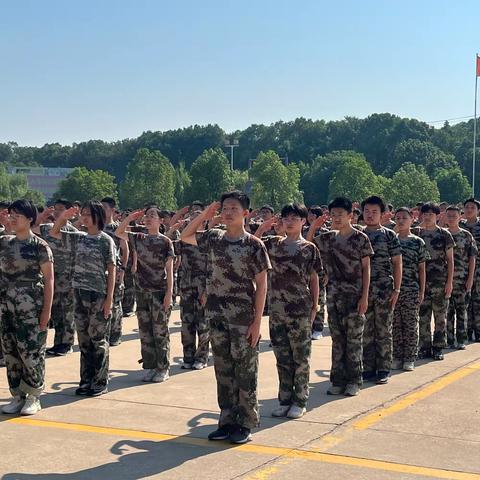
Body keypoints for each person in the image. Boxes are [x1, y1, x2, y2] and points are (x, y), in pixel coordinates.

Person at [181, 191, 271, 444]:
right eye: (225, 208)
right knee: (223, 370)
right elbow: (185, 236)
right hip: (216, 315)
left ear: (246, 213)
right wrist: (204, 215)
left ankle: (245, 423)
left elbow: (262, 284)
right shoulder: (213, 238)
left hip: (242, 318)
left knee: (245, 372)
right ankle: (227, 420)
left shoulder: (254, 245)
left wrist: (257, 322)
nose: (228, 212)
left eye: (234, 208)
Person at [255, 203, 321, 419]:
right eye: (286, 218)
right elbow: (253, 245)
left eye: (295, 218)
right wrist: (263, 229)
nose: (290, 221)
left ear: (304, 221)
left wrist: (315, 307)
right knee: (282, 357)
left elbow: (314, 278)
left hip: (300, 309)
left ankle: (300, 400)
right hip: (277, 309)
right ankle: (284, 399)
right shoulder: (273, 245)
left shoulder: (309, 249)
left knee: (300, 358)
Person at [49, 201, 116, 396]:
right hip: (79, 293)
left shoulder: (106, 240)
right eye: (83, 214)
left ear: (98, 216)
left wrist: (109, 300)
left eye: (88, 214)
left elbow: (112, 270)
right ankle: (86, 380)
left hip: (98, 295)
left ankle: (100, 381)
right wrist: (64, 217)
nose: (84, 218)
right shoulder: (78, 238)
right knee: (84, 340)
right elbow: (53, 233)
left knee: (98, 340)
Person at [314, 197, 373, 397]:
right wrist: (314, 225)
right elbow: (308, 244)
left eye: (341, 214)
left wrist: (365, 297)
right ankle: (338, 380)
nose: (337, 218)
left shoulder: (360, 238)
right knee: (338, 340)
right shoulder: (328, 238)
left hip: (355, 295)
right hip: (334, 295)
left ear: (351, 216)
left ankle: (354, 380)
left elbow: (366, 269)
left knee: (354, 340)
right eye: (333, 214)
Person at [0, 200, 54, 415]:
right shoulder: (4, 243)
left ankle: (34, 395)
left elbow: (49, 279)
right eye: (11, 214)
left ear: (30, 219)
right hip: (6, 305)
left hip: (30, 306)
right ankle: (17, 395)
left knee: (31, 351)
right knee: (11, 351)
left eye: (18, 215)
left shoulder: (40, 246)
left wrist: (46, 312)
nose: (13, 218)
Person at [115, 206, 174, 383]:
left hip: (159, 291)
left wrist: (169, 294)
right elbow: (119, 232)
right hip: (142, 291)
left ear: (160, 220)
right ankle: (150, 366)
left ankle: (163, 367)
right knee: (146, 331)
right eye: (146, 216)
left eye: (153, 216)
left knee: (160, 331)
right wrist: (130, 217)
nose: (148, 219)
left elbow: (169, 270)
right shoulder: (138, 237)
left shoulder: (165, 242)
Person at [360, 196, 402, 384]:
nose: (370, 215)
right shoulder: (357, 234)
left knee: (384, 329)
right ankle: (368, 368)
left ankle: (384, 368)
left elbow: (397, 263)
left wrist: (397, 289)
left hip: (384, 289)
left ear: (382, 214)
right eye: (367, 211)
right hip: (363, 290)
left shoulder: (389, 235)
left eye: (374, 212)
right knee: (366, 330)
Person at [34, 199, 78, 356]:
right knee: (57, 311)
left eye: (61, 209)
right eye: (56, 209)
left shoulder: (73, 232)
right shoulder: (47, 228)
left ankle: (66, 343)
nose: (57, 212)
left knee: (67, 312)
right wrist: (43, 215)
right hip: (53, 277)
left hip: (69, 277)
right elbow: (33, 227)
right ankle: (58, 343)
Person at [414, 203, 454, 361]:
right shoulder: (416, 233)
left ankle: (438, 347)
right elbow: (397, 231)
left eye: (431, 214)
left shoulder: (445, 235)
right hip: (421, 282)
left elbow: (450, 261)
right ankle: (424, 347)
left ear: (437, 216)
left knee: (440, 317)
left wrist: (449, 282)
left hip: (440, 281)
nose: (428, 216)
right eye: (425, 213)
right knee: (423, 316)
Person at [392, 207, 427, 371]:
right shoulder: (392, 240)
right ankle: (397, 356)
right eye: (397, 218)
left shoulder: (417, 242)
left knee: (410, 324)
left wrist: (421, 291)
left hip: (411, 288)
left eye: (404, 218)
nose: (400, 220)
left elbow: (422, 268)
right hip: (393, 289)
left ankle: (410, 357)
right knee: (395, 325)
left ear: (412, 219)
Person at [176, 207, 209, 370]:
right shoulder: (184, 241)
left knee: (203, 325)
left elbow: (213, 267)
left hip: (202, 286)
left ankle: (201, 357)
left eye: (198, 219)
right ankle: (188, 357)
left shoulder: (209, 240)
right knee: (186, 323)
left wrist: (207, 291)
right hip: (186, 286)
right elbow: (167, 246)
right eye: (191, 220)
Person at [446, 206, 477, 349]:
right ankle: (449, 340)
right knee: (447, 312)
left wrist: (470, 278)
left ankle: (461, 339)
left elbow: (472, 258)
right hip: (445, 281)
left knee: (462, 311)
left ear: (460, 217)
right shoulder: (442, 234)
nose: (451, 218)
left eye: (454, 216)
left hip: (462, 279)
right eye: (449, 215)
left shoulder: (466, 236)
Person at [102, 197, 129, 347]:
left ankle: (115, 334)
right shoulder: (97, 227)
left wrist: (123, 270)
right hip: (101, 272)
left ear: (112, 210)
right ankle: (104, 332)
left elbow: (125, 250)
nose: (102, 210)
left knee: (116, 303)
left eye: (105, 207)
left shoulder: (118, 228)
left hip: (116, 270)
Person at [460, 198, 480, 341]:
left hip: (478, 268)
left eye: (472, 207)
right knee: (465, 301)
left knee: (478, 300)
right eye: (467, 207)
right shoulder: (460, 225)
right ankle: (466, 331)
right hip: (462, 268)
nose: (469, 210)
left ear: (478, 210)